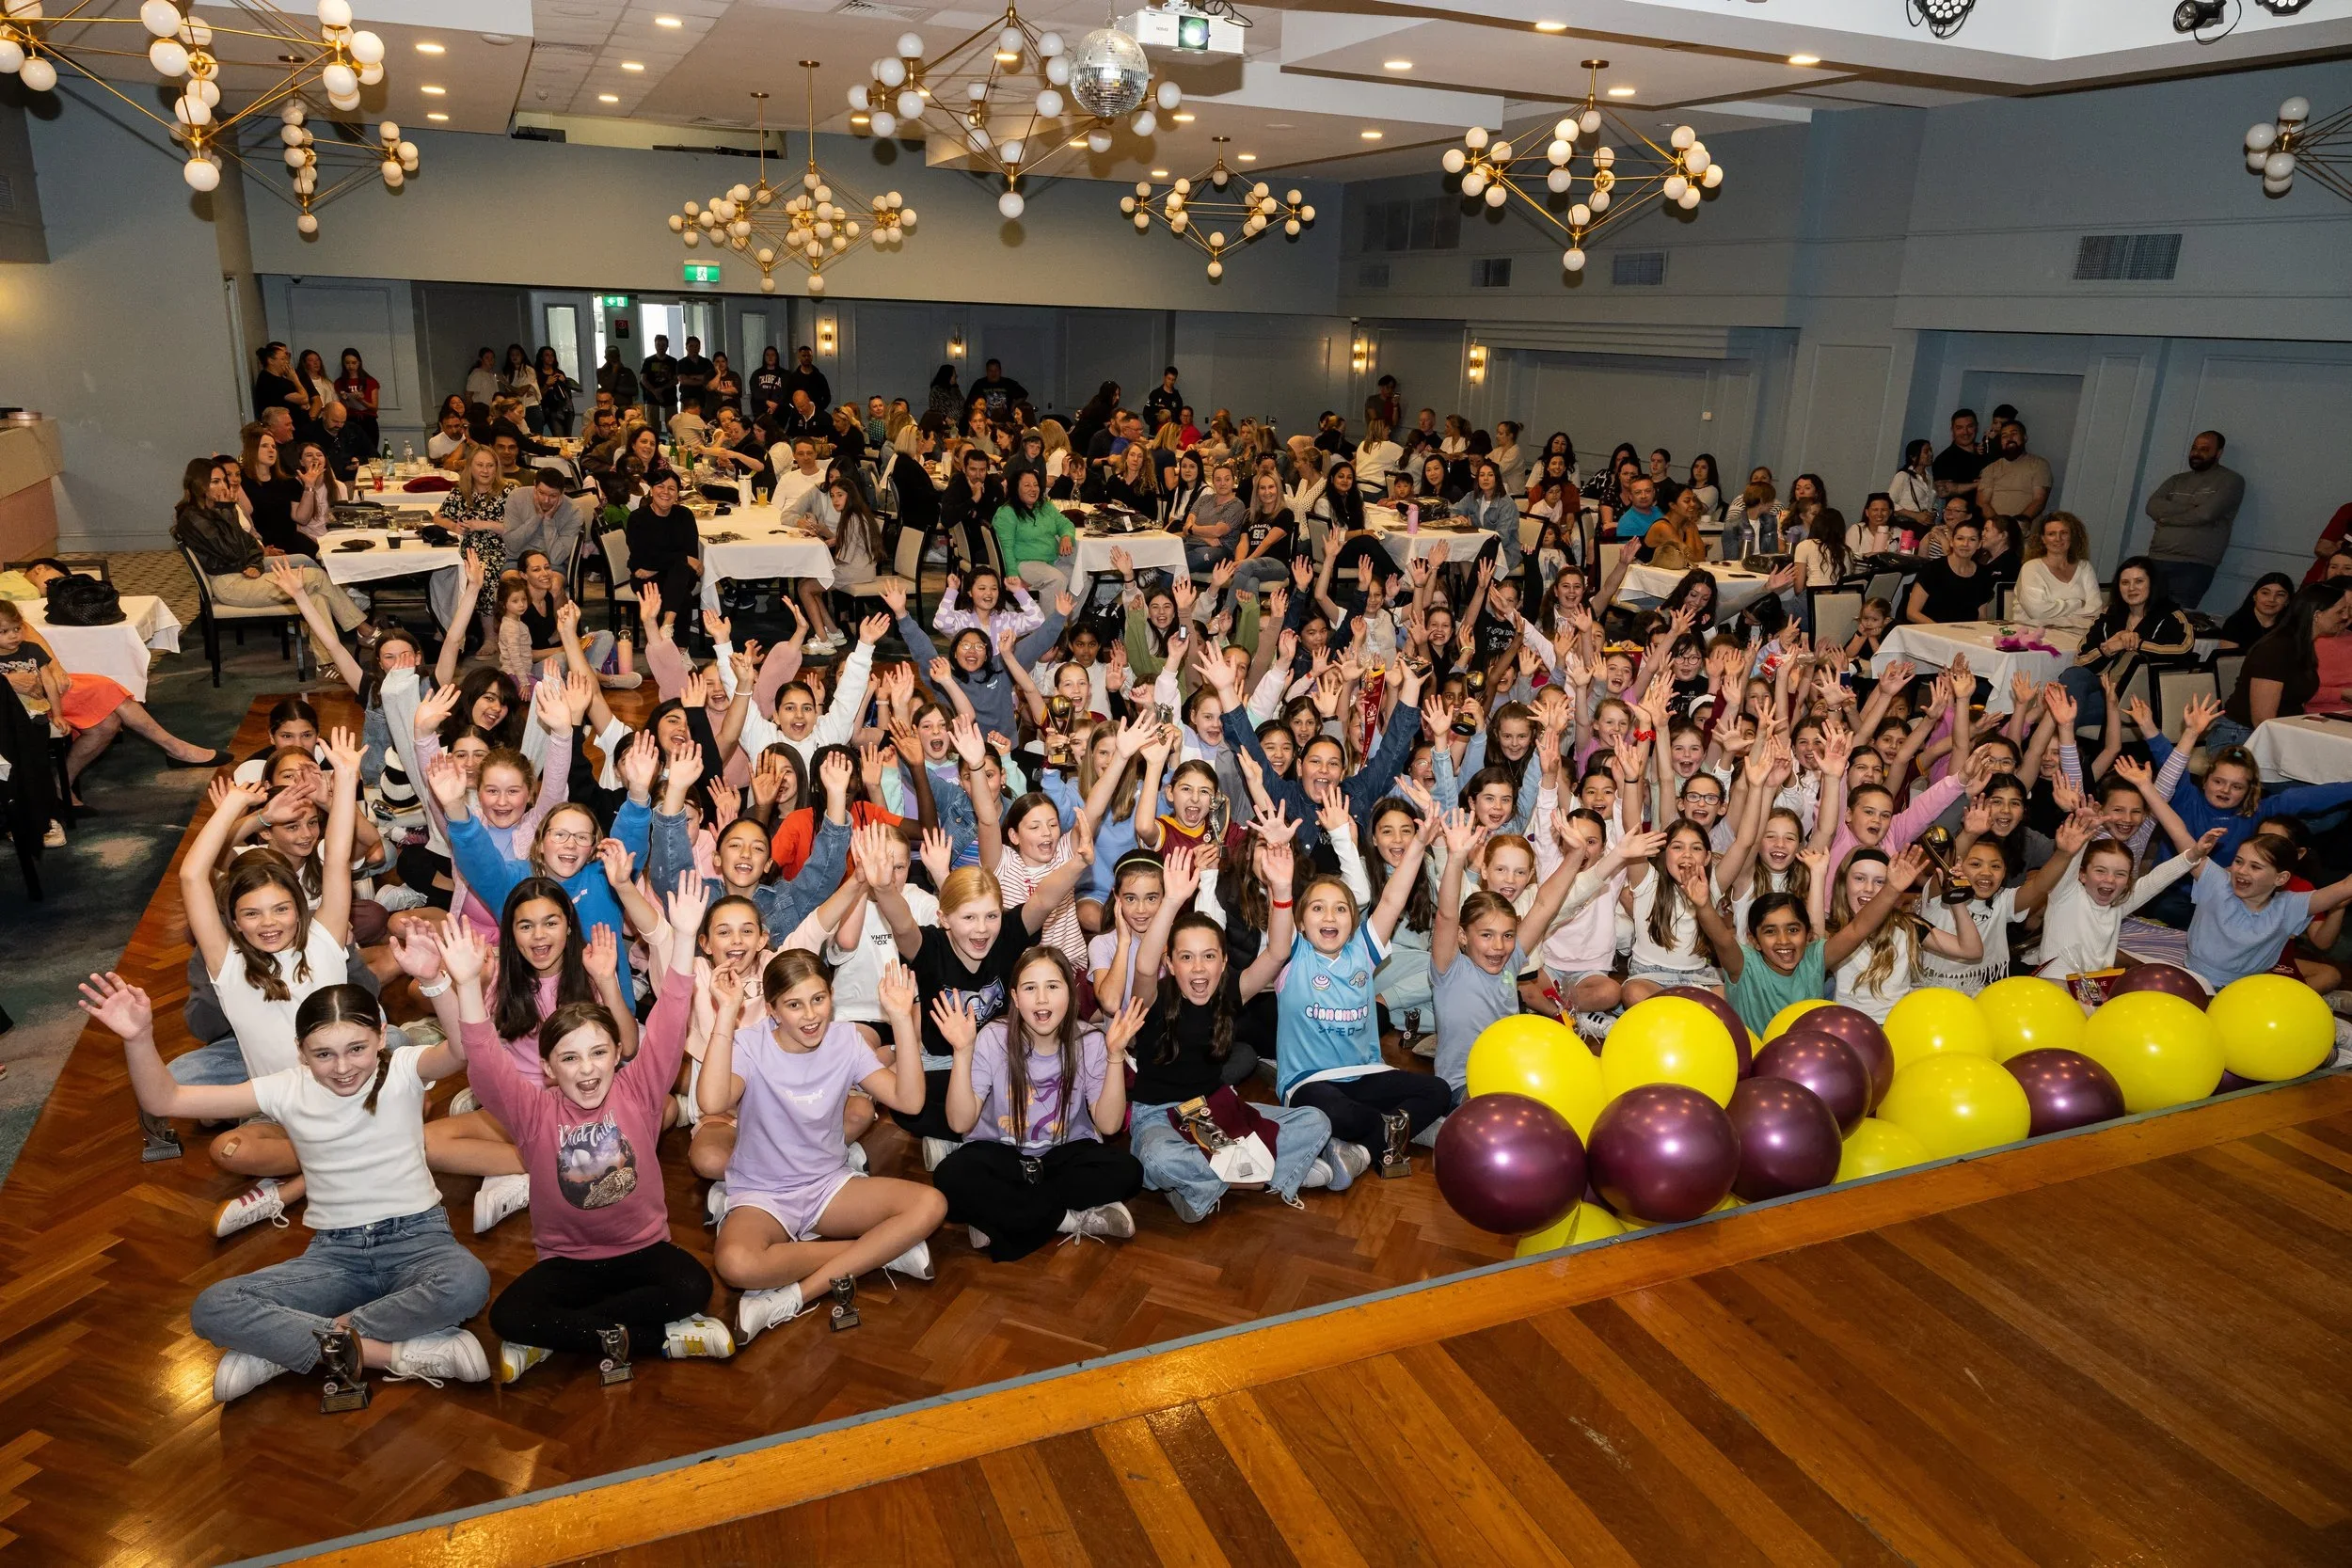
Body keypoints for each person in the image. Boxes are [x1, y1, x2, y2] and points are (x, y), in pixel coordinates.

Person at [84, 969, 493, 1402]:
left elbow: (464, 1049)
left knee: (466, 1281)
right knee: (214, 1306)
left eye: (356, 1048)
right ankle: (392, 1354)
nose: (342, 1067)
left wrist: (437, 981)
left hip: (420, 1240)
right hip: (337, 1253)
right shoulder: (284, 1089)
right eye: (323, 1054)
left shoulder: (405, 1068)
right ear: (300, 1051)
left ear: (381, 1035)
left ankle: (287, 1349)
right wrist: (138, 1037)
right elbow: (164, 1101)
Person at [438, 887, 738, 1382]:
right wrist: (467, 985)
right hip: (568, 1264)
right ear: (549, 1069)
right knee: (506, 1317)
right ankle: (659, 1339)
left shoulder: (639, 1090)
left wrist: (684, 938)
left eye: (598, 1053)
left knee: (693, 1286)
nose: (587, 1071)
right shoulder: (531, 1111)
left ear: (617, 1054)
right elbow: (486, 1063)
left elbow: (667, 1022)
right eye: (570, 1058)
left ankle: (561, 1338)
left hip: (645, 1252)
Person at [172, 457, 365, 652]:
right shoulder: (193, 519)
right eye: (216, 481)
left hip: (243, 572)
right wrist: (228, 509)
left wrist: (255, 564)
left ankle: (328, 662)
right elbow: (233, 552)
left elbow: (251, 544)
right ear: (198, 484)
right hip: (229, 584)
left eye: (223, 480)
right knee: (316, 577)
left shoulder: (215, 511)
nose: (224, 486)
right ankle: (365, 631)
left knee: (317, 598)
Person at [2217, 580, 2352, 748]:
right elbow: (2262, 719)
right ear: (2317, 615)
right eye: (2340, 611)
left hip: (2280, 730)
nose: (2346, 617)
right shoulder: (2276, 649)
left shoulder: (2302, 645)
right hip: (2242, 737)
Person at [2142, 430, 2245, 611]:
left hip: (2194, 565)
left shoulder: (2231, 480)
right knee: (2144, 616)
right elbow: (2152, 507)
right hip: (2157, 558)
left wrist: (2166, 517)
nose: (2197, 453)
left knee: (2175, 621)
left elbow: (2206, 514)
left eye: (2204, 449)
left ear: (2218, 453)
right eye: (2194, 448)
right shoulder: (2176, 480)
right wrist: (2193, 508)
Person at [624, 471, 701, 627]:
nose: (666, 492)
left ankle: (666, 626)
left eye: (672, 488)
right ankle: (680, 647)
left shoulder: (685, 515)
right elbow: (640, 558)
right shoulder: (638, 518)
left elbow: (692, 554)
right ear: (651, 490)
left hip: (677, 574)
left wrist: (655, 567)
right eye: (660, 486)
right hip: (646, 580)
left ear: (678, 494)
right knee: (682, 592)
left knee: (680, 571)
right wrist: (682, 558)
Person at [2013, 512, 2101, 629]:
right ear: (2043, 539)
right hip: (2033, 638)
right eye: (2051, 534)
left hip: (2077, 637)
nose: (2058, 539)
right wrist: (2078, 603)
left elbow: (2095, 610)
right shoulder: (2031, 568)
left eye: (2064, 533)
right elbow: (2038, 613)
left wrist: (2055, 619)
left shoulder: (2085, 567)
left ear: (2072, 536)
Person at [1905, 517, 1991, 623]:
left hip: (1966, 634)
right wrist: (1942, 632)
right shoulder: (1933, 569)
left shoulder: (1983, 574)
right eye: (1960, 538)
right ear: (1951, 542)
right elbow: (1912, 613)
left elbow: (1982, 617)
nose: (1965, 544)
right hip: (1931, 632)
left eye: (1972, 539)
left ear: (1979, 544)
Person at [1974, 418, 2051, 526]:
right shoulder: (1990, 469)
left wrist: (2016, 526)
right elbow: (1982, 502)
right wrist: (2000, 527)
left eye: (2014, 433)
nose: (2009, 438)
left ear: (2024, 438)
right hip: (1996, 532)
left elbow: (2039, 500)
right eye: (2004, 436)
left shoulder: (2039, 465)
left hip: (2025, 533)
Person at [2217, 572, 2296, 652]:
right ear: (2254, 596)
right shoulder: (2236, 623)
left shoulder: (2291, 628)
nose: (2271, 599)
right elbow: (2226, 661)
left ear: (2288, 601)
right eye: (2265, 593)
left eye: (2280, 595)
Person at [1931, 408, 1987, 501]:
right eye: (1959, 428)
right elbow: (1943, 491)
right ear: (1952, 430)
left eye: (1970, 426)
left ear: (1976, 427)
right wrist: (1980, 484)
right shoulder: (1944, 459)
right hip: (1961, 513)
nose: (1965, 432)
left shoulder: (1987, 450)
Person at [332, 348, 380, 453]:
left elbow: (374, 407)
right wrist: (345, 399)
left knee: (370, 452)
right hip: (349, 420)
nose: (351, 366)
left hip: (367, 420)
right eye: (347, 363)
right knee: (351, 452)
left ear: (359, 363)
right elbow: (341, 407)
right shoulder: (340, 383)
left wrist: (361, 400)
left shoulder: (370, 381)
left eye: (354, 363)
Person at [1889, 439, 1936, 530]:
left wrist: (1932, 513)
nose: (1931, 454)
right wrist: (1915, 515)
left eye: (1931, 450)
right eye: (1926, 452)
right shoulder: (1903, 476)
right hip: (1905, 525)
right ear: (1913, 457)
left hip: (1925, 526)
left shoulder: (1930, 478)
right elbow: (1890, 502)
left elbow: (1931, 503)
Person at [968, 357, 1026, 423]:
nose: (994, 373)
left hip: (1006, 423)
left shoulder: (1008, 383)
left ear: (1000, 371)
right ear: (987, 371)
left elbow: (1024, 394)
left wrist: (1014, 404)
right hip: (985, 423)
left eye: (996, 370)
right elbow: (970, 403)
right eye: (991, 371)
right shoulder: (979, 384)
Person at [779, 342, 832, 413]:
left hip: (816, 415)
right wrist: (794, 408)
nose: (807, 358)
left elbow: (827, 397)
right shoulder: (793, 378)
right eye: (804, 356)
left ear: (812, 357)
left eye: (809, 356)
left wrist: (818, 409)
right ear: (799, 357)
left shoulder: (819, 377)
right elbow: (787, 397)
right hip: (798, 416)